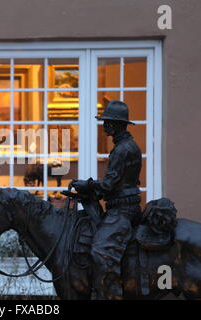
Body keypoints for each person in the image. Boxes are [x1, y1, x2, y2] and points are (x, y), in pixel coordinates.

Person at [71, 100, 142, 300]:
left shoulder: (123, 149)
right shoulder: (125, 145)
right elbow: (116, 183)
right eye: (105, 121)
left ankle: (111, 295)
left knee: (100, 251)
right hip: (120, 206)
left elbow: (109, 184)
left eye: (108, 122)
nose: (104, 125)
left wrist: (88, 185)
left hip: (122, 211)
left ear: (117, 124)